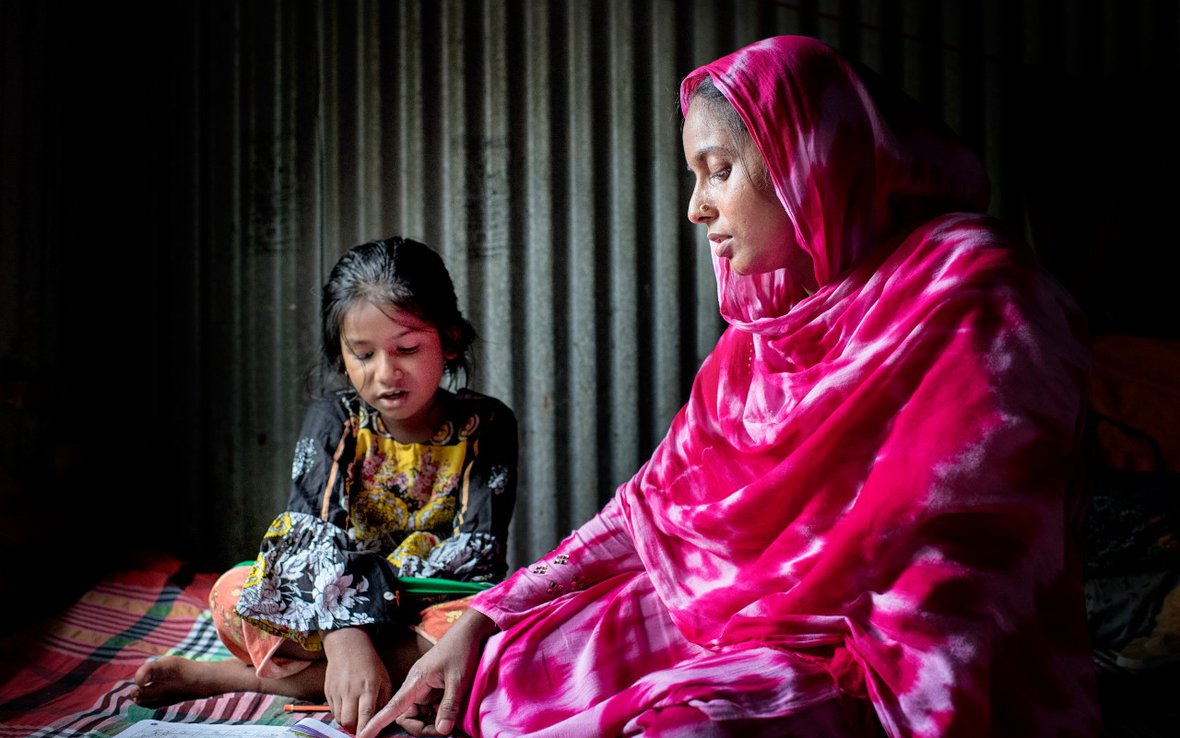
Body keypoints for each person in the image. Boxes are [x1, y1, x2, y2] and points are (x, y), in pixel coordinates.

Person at [362, 35, 1099, 738]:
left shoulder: (974, 292)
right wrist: (485, 617)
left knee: (689, 724)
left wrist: (771, 652)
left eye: (719, 170)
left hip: (892, 654)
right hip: (750, 612)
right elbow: (650, 507)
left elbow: (968, 564)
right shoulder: (766, 334)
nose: (696, 207)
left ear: (810, 160)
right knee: (509, 667)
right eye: (694, 175)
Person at [130, 236, 518, 735]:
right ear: (340, 353)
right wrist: (345, 633)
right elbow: (307, 531)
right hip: (332, 608)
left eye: (407, 349)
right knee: (232, 594)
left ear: (450, 338)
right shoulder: (335, 418)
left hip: (432, 604)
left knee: (495, 630)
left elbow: (477, 554)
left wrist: (368, 603)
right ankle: (397, 680)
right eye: (363, 354)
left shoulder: (485, 423)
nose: (385, 373)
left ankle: (238, 680)